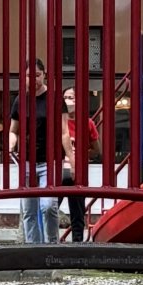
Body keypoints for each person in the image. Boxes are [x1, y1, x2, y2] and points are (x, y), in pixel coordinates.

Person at [7, 56, 58, 244]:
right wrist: (11, 143)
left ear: (44, 75)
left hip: (49, 160)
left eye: (37, 75)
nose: (34, 79)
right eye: (29, 75)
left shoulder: (53, 98)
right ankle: (33, 250)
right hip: (26, 161)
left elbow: (63, 132)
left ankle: (52, 246)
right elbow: (13, 130)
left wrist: (71, 157)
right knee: (29, 210)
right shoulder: (20, 100)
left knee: (48, 206)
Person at [60, 84, 99, 242]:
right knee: (49, 207)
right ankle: (47, 243)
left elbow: (97, 150)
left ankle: (77, 246)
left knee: (77, 213)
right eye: (65, 98)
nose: (68, 101)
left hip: (78, 172)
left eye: (72, 98)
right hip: (59, 171)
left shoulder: (87, 123)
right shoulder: (58, 122)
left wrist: (80, 156)